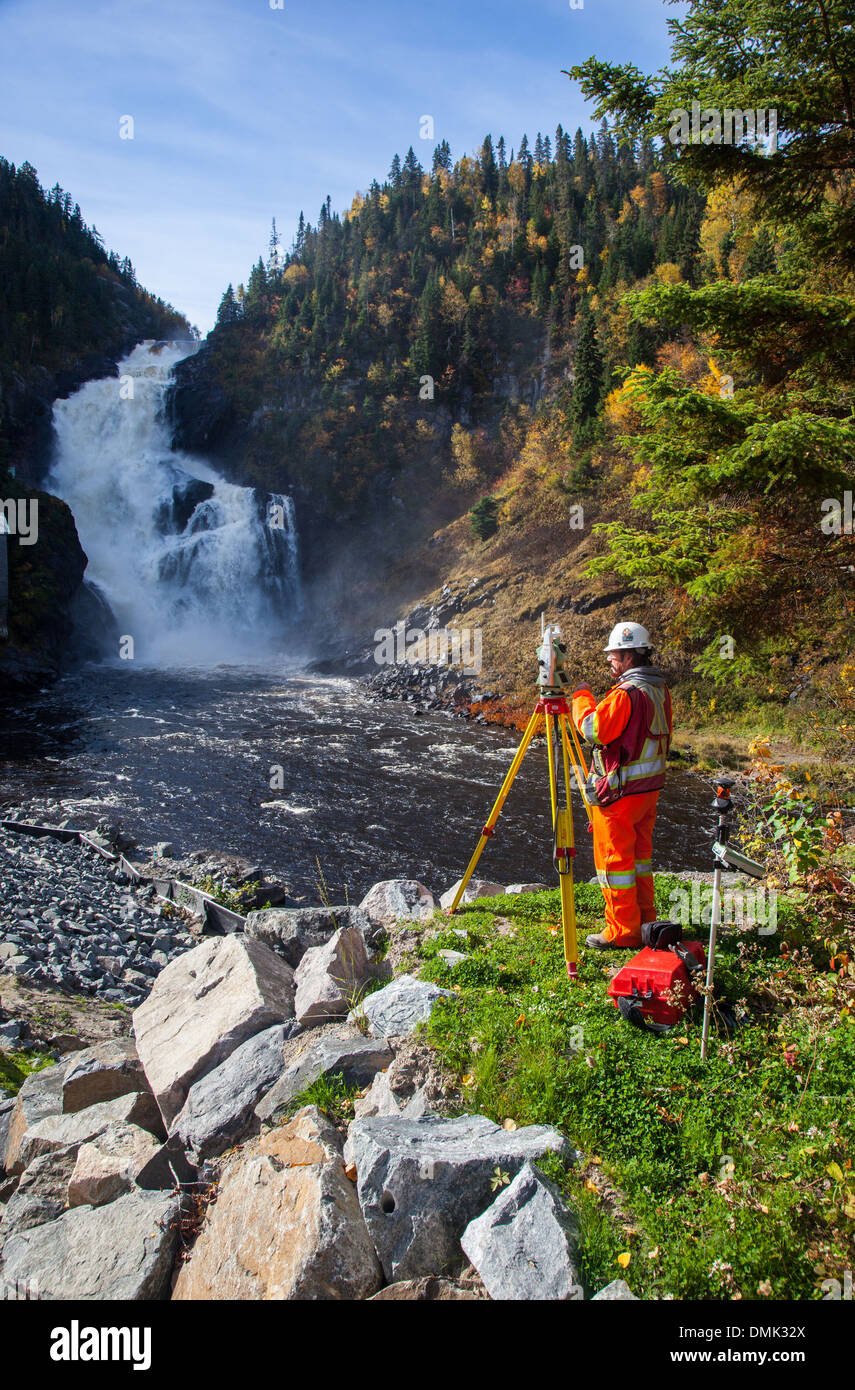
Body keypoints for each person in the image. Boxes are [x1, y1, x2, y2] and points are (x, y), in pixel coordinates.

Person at [570, 622, 672, 950]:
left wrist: (581, 696)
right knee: (640, 860)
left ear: (628, 656)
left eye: (613, 655)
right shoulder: (659, 689)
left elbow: (593, 729)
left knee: (615, 864)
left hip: (621, 793)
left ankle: (622, 931)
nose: (610, 661)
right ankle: (645, 921)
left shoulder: (627, 694)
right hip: (648, 790)